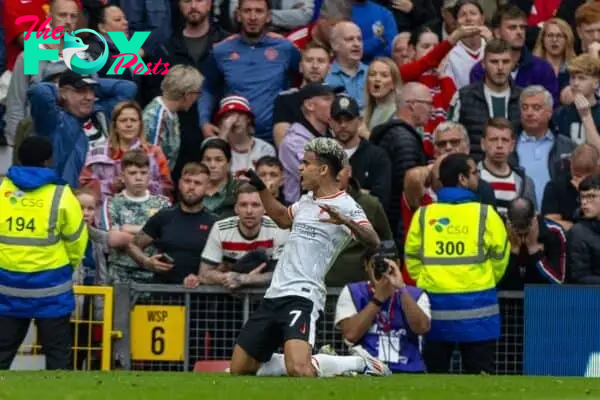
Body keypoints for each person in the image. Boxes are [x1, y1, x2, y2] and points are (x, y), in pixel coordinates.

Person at [229, 137, 389, 377]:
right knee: (241, 369)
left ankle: (359, 364)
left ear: (323, 169)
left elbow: (373, 240)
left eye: (305, 163)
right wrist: (259, 185)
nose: (300, 168)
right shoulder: (307, 201)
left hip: (303, 295)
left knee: (300, 370)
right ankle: (319, 359)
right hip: (275, 293)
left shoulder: (346, 204)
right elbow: (282, 217)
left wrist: (345, 221)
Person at [404, 152, 509, 374]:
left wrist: (425, 280)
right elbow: (500, 255)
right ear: (462, 178)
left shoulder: (423, 215)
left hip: (435, 310)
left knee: (434, 383)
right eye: (474, 173)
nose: (477, 177)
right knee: (479, 385)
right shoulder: (486, 213)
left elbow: (412, 257)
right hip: (479, 311)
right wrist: (486, 278)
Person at [0, 136, 88, 370]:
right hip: (52, 288)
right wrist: (68, 265)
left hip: (6, 287)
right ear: (49, 160)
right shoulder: (61, 195)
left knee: (1, 353)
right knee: (58, 356)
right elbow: (78, 240)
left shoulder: (1, 190)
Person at [199, 0, 301, 143]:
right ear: (238, 15)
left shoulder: (285, 48)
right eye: (247, 11)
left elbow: (306, 77)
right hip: (233, 136)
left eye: (259, 11)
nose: (253, 17)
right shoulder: (221, 51)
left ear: (268, 16)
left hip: (275, 138)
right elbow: (207, 88)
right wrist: (203, 121)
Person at [335, 245, 430, 373]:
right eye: (377, 264)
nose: (382, 270)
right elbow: (350, 335)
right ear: (367, 265)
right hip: (366, 369)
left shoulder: (416, 295)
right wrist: (378, 298)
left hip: (408, 368)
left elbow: (422, 328)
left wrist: (401, 289)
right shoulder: (353, 292)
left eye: (387, 263)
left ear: (397, 264)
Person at [127, 162, 217, 284]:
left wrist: (202, 278)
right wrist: (147, 262)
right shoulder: (164, 216)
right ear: (179, 183)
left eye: (197, 183)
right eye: (187, 181)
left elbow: (225, 262)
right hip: (163, 295)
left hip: (199, 296)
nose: (191, 187)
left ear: (207, 187)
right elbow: (133, 245)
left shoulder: (214, 222)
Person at [186, 183, 289, 289]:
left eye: (255, 205)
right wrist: (228, 277)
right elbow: (204, 273)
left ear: (265, 208)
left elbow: (282, 274)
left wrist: (243, 279)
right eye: (243, 205)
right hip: (230, 297)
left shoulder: (278, 228)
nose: (249, 211)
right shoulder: (221, 229)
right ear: (236, 208)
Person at [98, 150, 172, 285]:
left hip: (155, 275)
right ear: (122, 176)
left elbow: (168, 237)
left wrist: (127, 229)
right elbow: (113, 239)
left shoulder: (163, 203)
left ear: (149, 174)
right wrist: (152, 233)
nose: (138, 178)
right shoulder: (112, 203)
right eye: (132, 173)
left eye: (143, 173)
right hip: (121, 276)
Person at [80, 101, 173, 203]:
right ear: (115, 126)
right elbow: (84, 187)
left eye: (133, 120)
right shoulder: (96, 154)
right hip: (105, 213)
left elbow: (167, 188)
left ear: (140, 125)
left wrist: (141, 184)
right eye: (123, 120)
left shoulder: (154, 153)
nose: (129, 124)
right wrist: (111, 185)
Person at [448, 39, 522, 161]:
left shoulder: (524, 99)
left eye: (505, 62)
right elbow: (450, 138)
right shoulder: (463, 97)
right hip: (475, 173)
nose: (500, 67)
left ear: (513, 64)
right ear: (483, 64)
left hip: (516, 171)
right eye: (494, 62)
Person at [330, 93, 391, 211]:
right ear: (330, 122)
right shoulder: (321, 155)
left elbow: (381, 201)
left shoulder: (377, 156)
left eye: (348, 119)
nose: (343, 125)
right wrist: (363, 193)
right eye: (338, 120)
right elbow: (309, 195)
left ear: (360, 120)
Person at [143, 65, 204, 171]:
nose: (197, 98)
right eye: (197, 93)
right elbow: (150, 164)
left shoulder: (172, 112)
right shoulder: (155, 118)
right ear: (187, 94)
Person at [499, 197, 566, 290]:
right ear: (507, 219)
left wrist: (534, 251)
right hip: (505, 298)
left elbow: (557, 280)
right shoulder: (497, 231)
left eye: (526, 232)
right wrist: (513, 251)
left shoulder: (554, 232)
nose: (522, 237)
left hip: (540, 298)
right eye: (517, 231)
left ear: (535, 218)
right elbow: (494, 281)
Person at [478, 117, 536, 216]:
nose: (499, 145)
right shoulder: (473, 177)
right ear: (483, 144)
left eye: (505, 140)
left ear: (512, 145)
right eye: (493, 140)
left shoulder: (525, 182)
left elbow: (532, 219)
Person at [542, 144, 600, 230]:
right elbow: (550, 222)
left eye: (587, 177)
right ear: (571, 164)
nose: (582, 181)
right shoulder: (555, 186)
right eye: (577, 175)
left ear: (597, 168)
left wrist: (584, 192)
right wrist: (579, 229)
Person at [569, 173, 600, 284]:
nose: (584, 202)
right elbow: (579, 277)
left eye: (591, 196)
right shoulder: (578, 232)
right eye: (582, 197)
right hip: (592, 298)